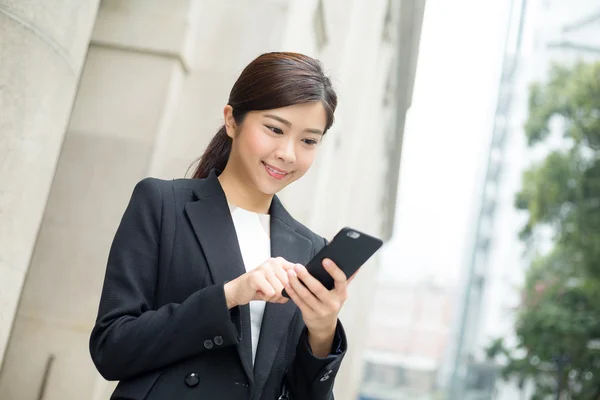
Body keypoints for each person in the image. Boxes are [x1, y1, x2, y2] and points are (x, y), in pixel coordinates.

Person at [90, 52, 352, 400]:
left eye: (308, 140)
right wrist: (230, 295)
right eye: (274, 129)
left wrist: (322, 331)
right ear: (232, 120)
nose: (288, 153)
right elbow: (112, 348)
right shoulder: (162, 204)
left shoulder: (310, 248)